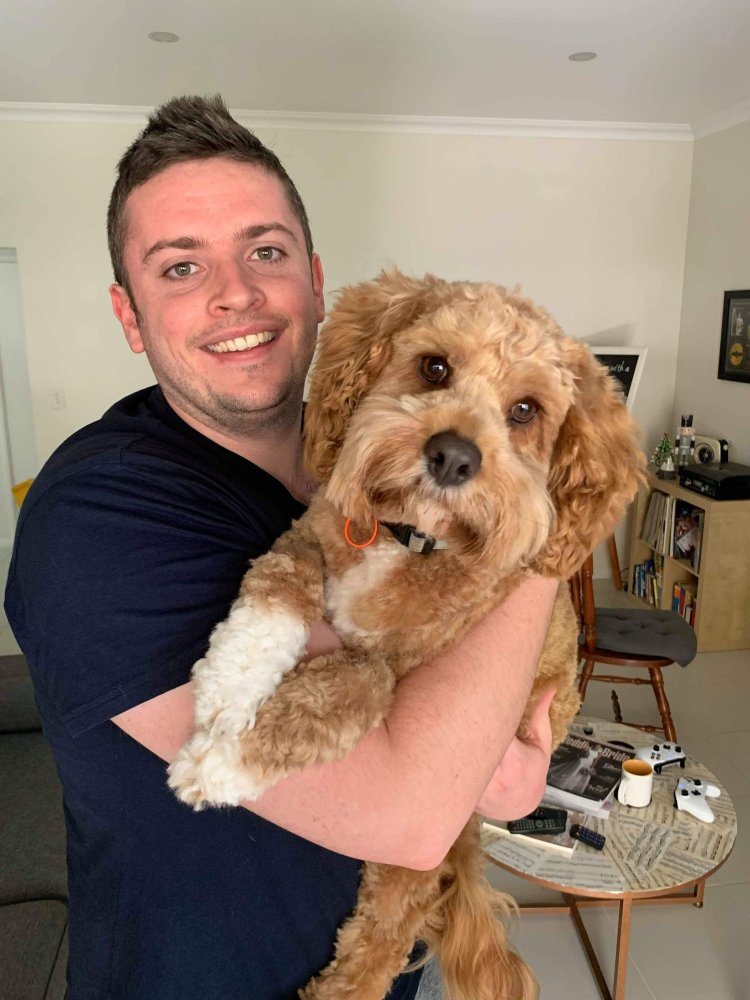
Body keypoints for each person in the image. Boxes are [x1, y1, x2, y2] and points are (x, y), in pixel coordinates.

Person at [5, 95, 560, 1000]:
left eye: (264, 251)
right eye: (181, 266)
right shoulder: (96, 515)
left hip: (392, 965)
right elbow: (412, 808)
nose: (236, 292)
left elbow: (462, 718)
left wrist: (474, 755)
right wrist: (551, 524)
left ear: (313, 278)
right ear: (130, 316)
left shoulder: (380, 456)